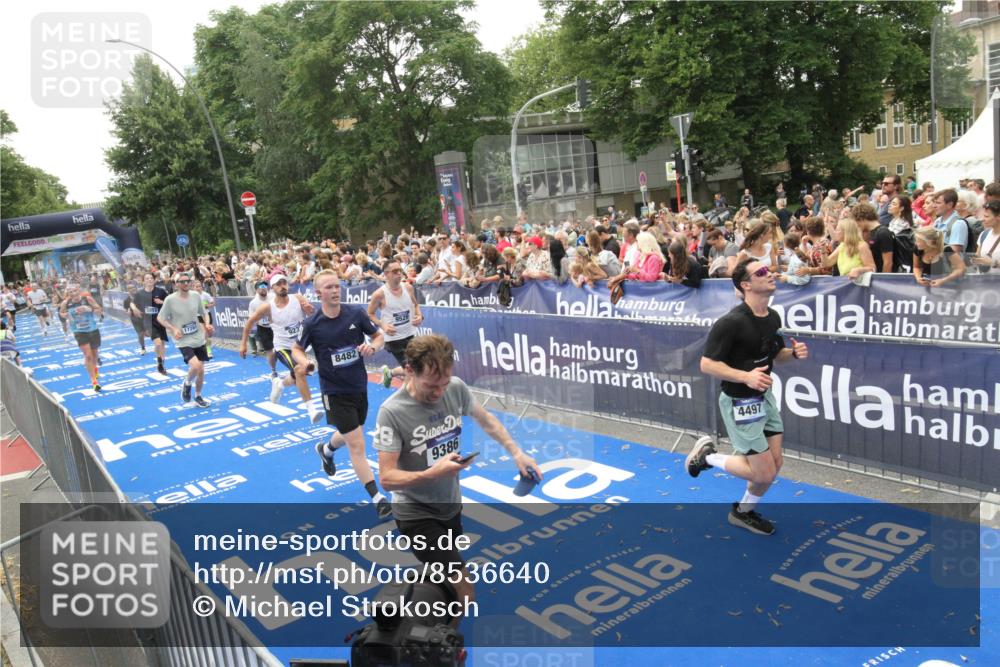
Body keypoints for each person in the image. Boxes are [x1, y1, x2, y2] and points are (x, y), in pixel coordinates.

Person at [374, 334, 542, 624]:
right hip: (416, 514)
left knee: (446, 574)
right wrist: (431, 473)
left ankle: (423, 605)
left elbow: (485, 418)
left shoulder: (455, 387)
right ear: (409, 371)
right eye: (431, 385)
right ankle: (448, 643)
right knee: (465, 590)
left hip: (450, 506)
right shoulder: (391, 412)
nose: (440, 392)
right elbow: (387, 478)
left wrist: (517, 453)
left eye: (444, 382)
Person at [686, 258, 809, 535]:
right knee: (764, 473)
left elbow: (776, 355)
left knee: (774, 465)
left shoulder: (773, 317)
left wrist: (793, 355)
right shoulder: (730, 323)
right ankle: (707, 458)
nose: (771, 274)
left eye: (769, 269)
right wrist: (746, 377)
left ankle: (743, 512)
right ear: (746, 285)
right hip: (739, 402)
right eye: (762, 272)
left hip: (765, 398)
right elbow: (707, 364)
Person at [300, 270, 392, 520]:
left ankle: (327, 449)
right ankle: (378, 497)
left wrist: (372, 346)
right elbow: (297, 349)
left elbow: (379, 336)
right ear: (318, 293)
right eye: (329, 287)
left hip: (358, 386)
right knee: (357, 443)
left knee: (353, 430)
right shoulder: (313, 324)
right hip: (333, 390)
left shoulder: (355, 313)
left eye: (337, 286)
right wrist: (304, 364)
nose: (335, 290)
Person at [239, 274, 319, 416]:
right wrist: (243, 344)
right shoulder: (268, 307)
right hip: (282, 347)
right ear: (272, 288)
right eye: (278, 284)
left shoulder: (298, 298)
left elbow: (310, 314)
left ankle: (280, 384)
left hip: (299, 347)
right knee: (300, 370)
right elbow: (249, 323)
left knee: (296, 376)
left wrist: (309, 309)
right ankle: (311, 410)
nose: (283, 286)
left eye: (284, 283)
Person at [156, 273, 215, 407]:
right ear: (176, 284)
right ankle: (187, 383)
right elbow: (160, 318)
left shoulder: (195, 295)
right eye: (182, 282)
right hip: (182, 339)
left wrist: (207, 324)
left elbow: (204, 312)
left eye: (187, 281)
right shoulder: (170, 300)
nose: (185, 283)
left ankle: (198, 396)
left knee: (201, 370)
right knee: (196, 365)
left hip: (198, 337)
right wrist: (173, 329)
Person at [368, 260, 423, 389]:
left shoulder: (408, 288)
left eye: (400, 270)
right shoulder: (379, 294)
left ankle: (390, 373)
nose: (399, 274)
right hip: (394, 339)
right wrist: (383, 325)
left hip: (411, 334)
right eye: (395, 272)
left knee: (415, 367)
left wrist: (419, 315)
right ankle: (404, 400)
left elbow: (415, 305)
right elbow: (370, 314)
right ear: (386, 274)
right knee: (412, 371)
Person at [60, 283, 104, 392]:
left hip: (92, 329)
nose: (73, 294)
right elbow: (61, 313)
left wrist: (89, 309)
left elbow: (99, 311)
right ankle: (94, 381)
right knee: (88, 355)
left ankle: (95, 368)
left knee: (94, 353)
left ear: (78, 290)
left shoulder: (87, 299)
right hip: (79, 331)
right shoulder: (66, 303)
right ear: (68, 293)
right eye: (70, 292)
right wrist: (65, 315)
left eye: (75, 291)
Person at [133, 272, 170, 375]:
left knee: (161, 344)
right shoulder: (140, 294)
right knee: (157, 343)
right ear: (143, 281)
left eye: (151, 278)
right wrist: (134, 308)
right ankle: (159, 361)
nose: (149, 280)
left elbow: (170, 302)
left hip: (161, 321)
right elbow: (132, 302)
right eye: (147, 278)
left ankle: (162, 364)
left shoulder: (161, 291)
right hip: (148, 322)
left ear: (154, 280)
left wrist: (162, 302)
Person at [248, 280, 277, 376]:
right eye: (261, 288)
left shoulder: (273, 297)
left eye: (265, 287)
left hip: (276, 326)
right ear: (256, 290)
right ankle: (273, 370)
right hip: (263, 328)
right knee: (270, 351)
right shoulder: (253, 303)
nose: (264, 289)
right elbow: (251, 318)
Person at [971, 199, 1000, 273]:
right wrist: (974, 260)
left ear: (998, 217)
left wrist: (992, 263)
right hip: (983, 281)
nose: (983, 219)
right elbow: (977, 256)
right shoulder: (984, 234)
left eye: (987, 216)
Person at [122, 282, 147, 354]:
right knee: (140, 334)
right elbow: (125, 309)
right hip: (135, 319)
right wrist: (128, 312)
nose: (133, 289)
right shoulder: (126, 300)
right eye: (131, 288)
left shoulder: (140, 296)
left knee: (147, 333)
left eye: (133, 287)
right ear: (128, 290)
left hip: (144, 318)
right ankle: (143, 348)